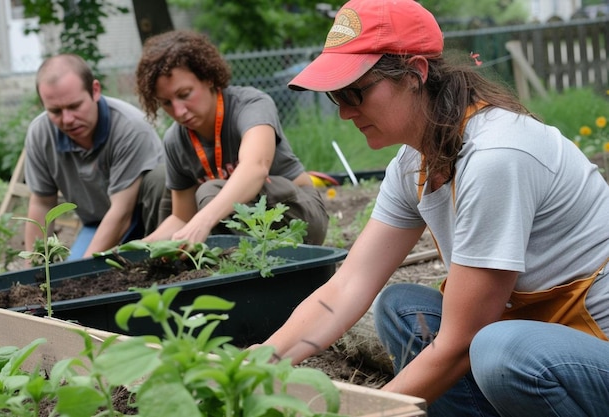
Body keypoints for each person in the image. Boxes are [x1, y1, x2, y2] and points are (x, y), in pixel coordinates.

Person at [259, 0, 609, 416]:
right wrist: (255, 365)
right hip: (534, 341)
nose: (345, 111)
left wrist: (368, 411)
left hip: (591, 350)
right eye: (336, 95)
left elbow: (463, 339)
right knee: (401, 309)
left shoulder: (496, 155)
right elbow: (347, 286)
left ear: (415, 74)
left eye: (355, 91)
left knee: (499, 351)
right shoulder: (413, 163)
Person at [134, 29, 328, 245]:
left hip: (301, 218)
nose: (178, 112)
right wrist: (138, 248)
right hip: (244, 229)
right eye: (166, 103)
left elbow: (255, 168)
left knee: (209, 192)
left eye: (185, 94)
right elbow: (182, 217)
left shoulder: (251, 105)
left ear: (207, 78)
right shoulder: (175, 140)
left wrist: (203, 220)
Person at [24, 53, 167, 261]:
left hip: (146, 220)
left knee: (84, 277)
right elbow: (42, 204)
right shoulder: (40, 133)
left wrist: (82, 273)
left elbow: (122, 214)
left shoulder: (130, 127)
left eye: (74, 106)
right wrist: (34, 268)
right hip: (97, 223)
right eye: (55, 111)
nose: (68, 119)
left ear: (95, 90)